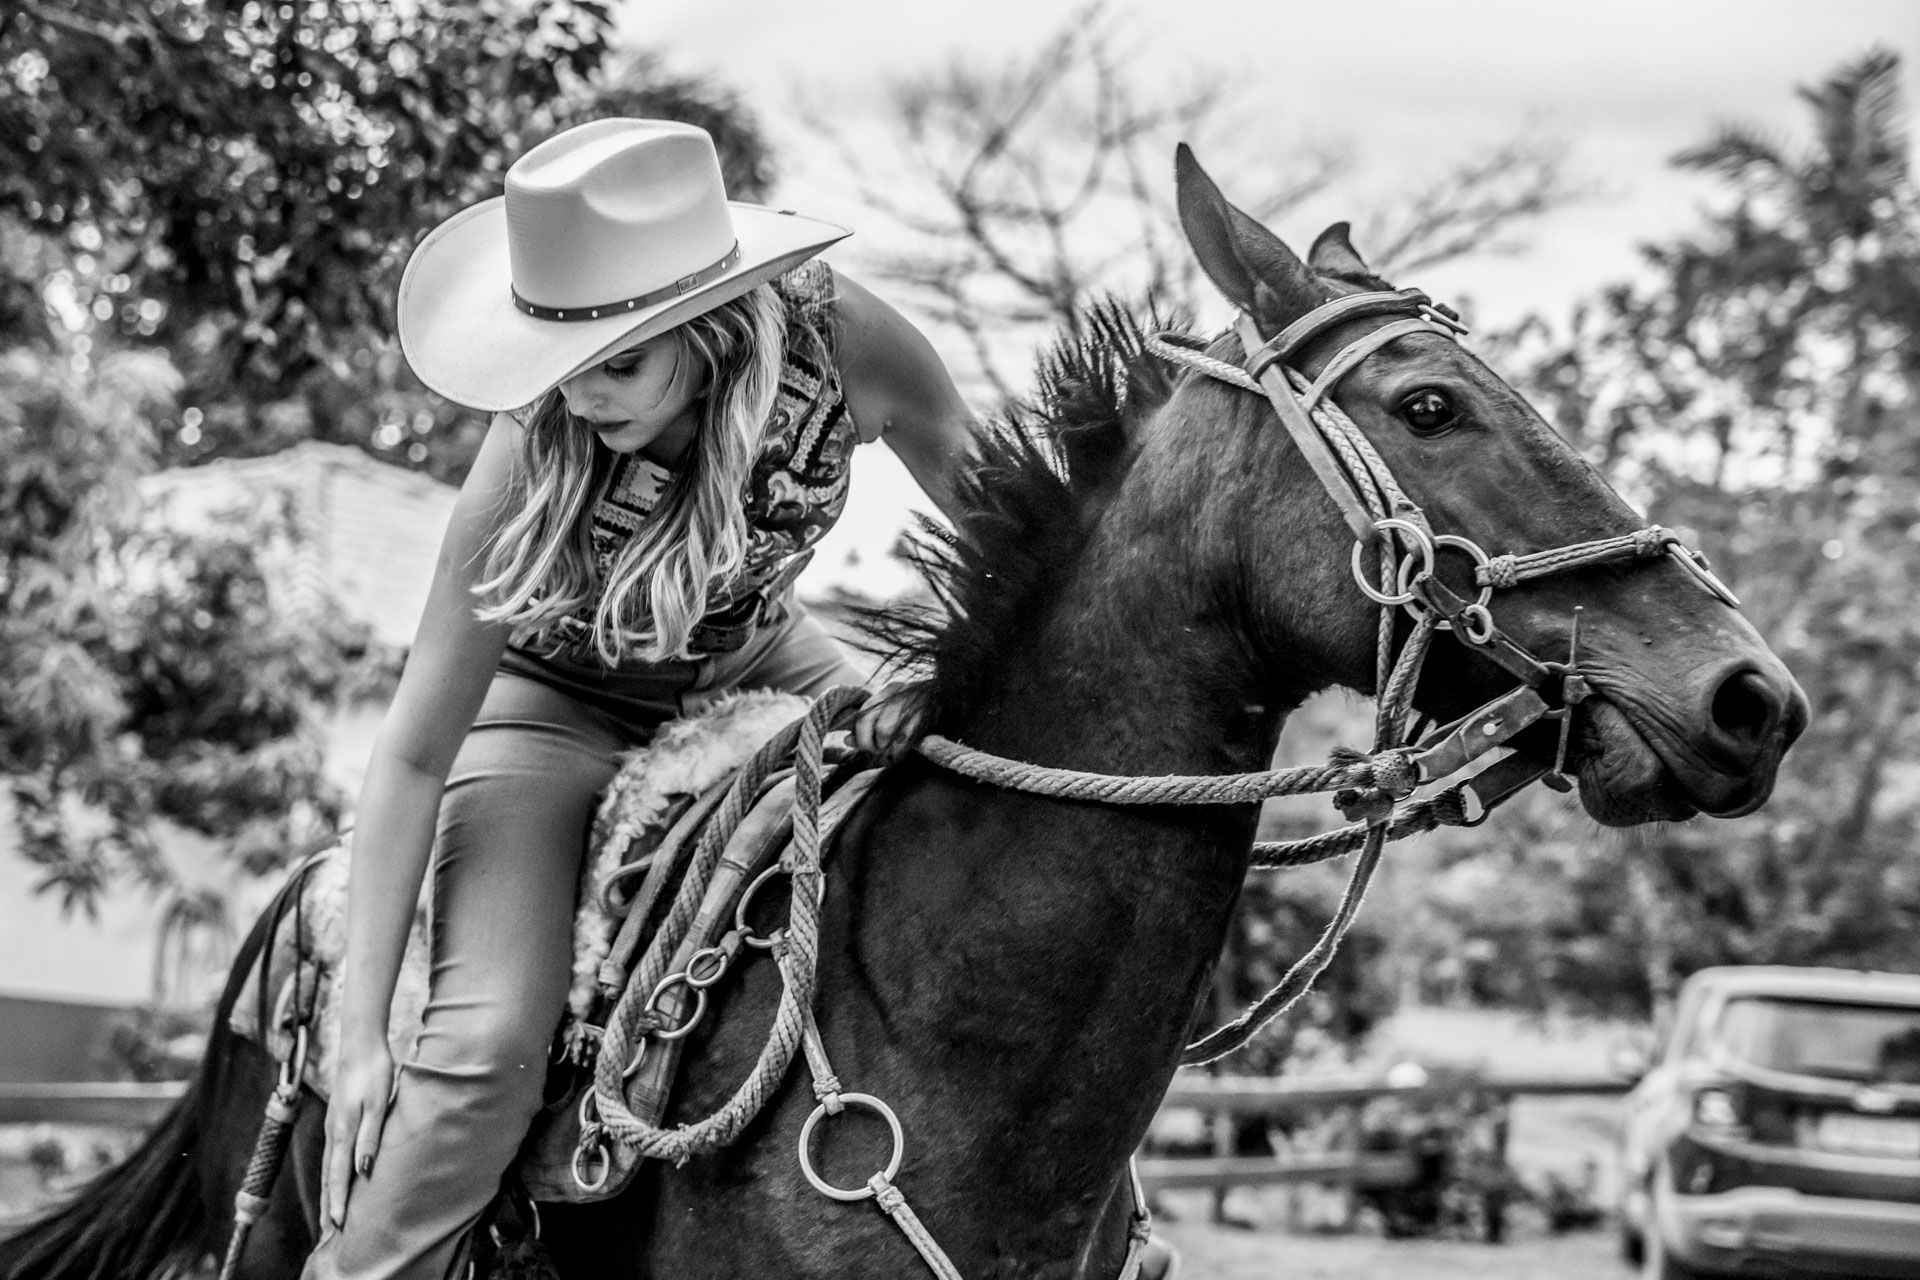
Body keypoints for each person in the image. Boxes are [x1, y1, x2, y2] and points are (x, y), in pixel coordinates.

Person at [310, 118, 977, 1280]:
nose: (582, 397)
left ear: (709, 327)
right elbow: (415, 751)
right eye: (564, 364)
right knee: (492, 1044)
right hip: (551, 697)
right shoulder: (533, 451)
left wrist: (961, 680)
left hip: (761, 652)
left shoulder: (854, 346)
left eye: (618, 362)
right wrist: (360, 1037)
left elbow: (1007, 543)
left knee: (958, 810)